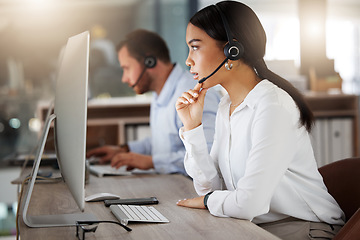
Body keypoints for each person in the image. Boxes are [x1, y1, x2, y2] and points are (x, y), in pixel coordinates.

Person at [175, 1, 345, 239]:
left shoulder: (272, 107)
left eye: (195, 47)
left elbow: (246, 204)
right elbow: (211, 190)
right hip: (254, 227)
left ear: (232, 49)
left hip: (303, 228)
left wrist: (208, 200)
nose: (188, 61)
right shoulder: (227, 106)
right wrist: (192, 127)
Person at [87, 29, 221, 175]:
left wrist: (151, 162)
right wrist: (125, 149)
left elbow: (207, 154)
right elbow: (165, 143)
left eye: (127, 68)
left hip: (192, 189)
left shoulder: (193, 94)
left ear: (149, 62)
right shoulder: (160, 94)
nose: (124, 78)